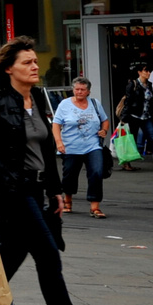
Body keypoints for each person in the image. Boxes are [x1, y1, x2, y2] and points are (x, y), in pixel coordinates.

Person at [0, 36, 105, 305]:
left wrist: (56, 192)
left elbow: (45, 149)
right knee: (48, 257)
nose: (35, 66)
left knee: (13, 255)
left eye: (35, 61)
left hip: (36, 189)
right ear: (9, 68)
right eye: (27, 62)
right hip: (10, 192)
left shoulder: (37, 99)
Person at [52, 77, 111, 218]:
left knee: (96, 172)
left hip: (93, 145)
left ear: (88, 91)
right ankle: (68, 200)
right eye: (76, 89)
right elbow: (56, 124)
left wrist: (104, 130)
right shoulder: (64, 105)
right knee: (70, 174)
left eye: (82, 89)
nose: (79, 92)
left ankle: (95, 207)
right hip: (71, 146)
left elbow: (105, 120)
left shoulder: (95, 104)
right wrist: (59, 142)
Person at [117, 63, 153, 165]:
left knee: (152, 137)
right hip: (134, 116)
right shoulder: (133, 84)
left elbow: (151, 102)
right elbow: (128, 102)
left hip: (146, 116)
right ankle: (126, 163)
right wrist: (124, 118)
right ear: (139, 72)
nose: (148, 73)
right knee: (131, 139)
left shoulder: (149, 85)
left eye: (149, 71)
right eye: (146, 71)